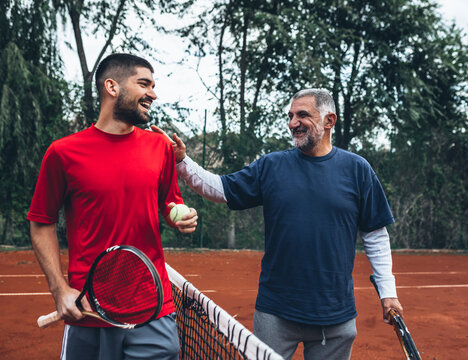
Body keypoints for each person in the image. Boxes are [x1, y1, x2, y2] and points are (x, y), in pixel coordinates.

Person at [152, 88, 402, 360]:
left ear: (329, 120)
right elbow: (219, 189)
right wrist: (182, 161)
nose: (293, 122)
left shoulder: (358, 169)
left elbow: (375, 234)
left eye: (302, 115)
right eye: (291, 116)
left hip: (335, 315)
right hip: (276, 312)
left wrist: (387, 293)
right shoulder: (272, 165)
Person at [27, 53, 198, 360]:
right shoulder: (63, 153)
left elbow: (171, 201)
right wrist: (59, 290)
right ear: (112, 87)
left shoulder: (160, 147)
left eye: (154, 86)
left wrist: (179, 216)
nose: (153, 94)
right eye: (144, 84)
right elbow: (41, 221)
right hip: (88, 307)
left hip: (153, 306)